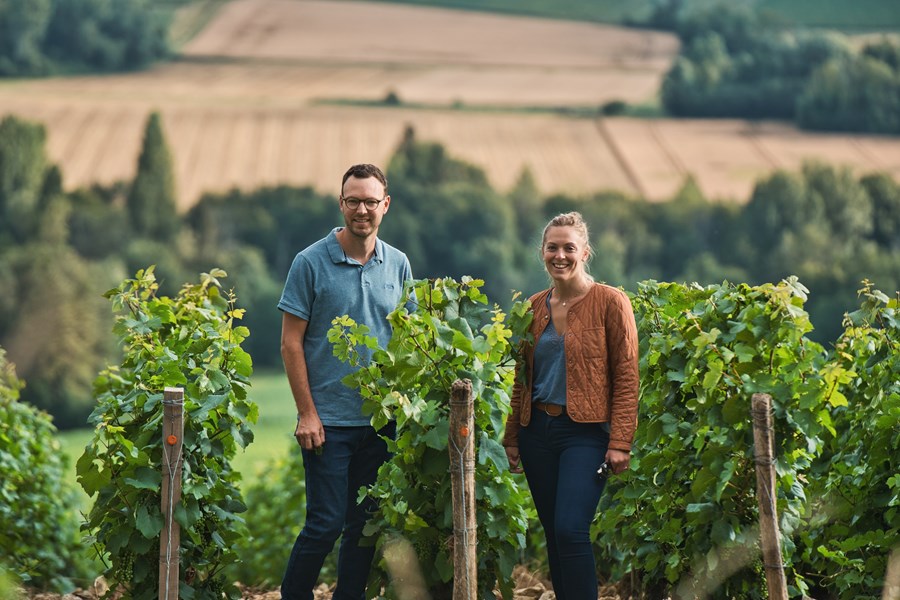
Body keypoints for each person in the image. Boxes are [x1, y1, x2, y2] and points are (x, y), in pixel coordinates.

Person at [278, 163, 412, 600]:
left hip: (380, 423)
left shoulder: (399, 264)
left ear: (385, 206)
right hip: (328, 423)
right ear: (341, 203)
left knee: (364, 527)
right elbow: (291, 344)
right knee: (325, 524)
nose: (362, 210)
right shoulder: (310, 262)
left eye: (371, 201)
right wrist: (307, 413)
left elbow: (408, 341)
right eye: (353, 200)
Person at [503, 211, 639, 600]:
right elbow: (522, 379)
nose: (559, 255)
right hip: (537, 433)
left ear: (585, 252)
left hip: (587, 433)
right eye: (552, 247)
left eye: (568, 248)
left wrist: (621, 442)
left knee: (570, 529)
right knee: (553, 532)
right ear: (542, 252)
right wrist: (513, 436)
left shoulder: (611, 303)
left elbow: (628, 377)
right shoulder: (532, 307)